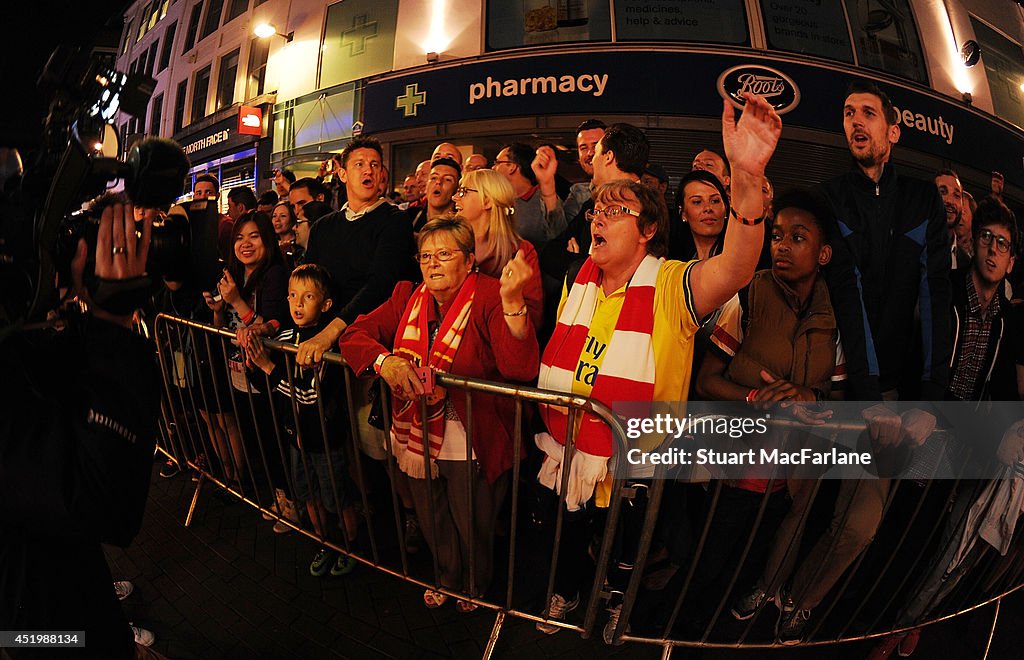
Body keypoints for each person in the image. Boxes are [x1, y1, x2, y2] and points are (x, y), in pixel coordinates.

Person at [532, 93, 780, 637]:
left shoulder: (670, 283)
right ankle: (566, 592)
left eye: (616, 210)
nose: (599, 217)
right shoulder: (579, 281)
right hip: (571, 449)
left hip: (635, 463)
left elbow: (737, 266)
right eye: (598, 209)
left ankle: (617, 599)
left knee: (625, 544)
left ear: (648, 231)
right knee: (569, 531)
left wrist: (745, 178)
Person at [775, 80, 952, 645]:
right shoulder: (831, 196)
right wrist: (869, 397)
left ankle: (798, 603)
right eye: (848, 112)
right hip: (836, 388)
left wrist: (926, 400)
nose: (856, 121)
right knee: (794, 506)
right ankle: (766, 596)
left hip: (896, 397)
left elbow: (937, 300)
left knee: (861, 526)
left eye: (869, 113)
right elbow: (847, 297)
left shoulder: (925, 201)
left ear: (893, 131)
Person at [339, 217, 540, 611]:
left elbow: (519, 368)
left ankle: (475, 583)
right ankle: (447, 576)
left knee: (473, 522)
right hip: (415, 436)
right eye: (426, 256)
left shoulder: (489, 296)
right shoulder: (406, 296)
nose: (433, 264)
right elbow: (354, 335)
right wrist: (385, 363)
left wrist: (514, 303)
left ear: (469, 261)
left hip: (473, 434)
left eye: (445, 255)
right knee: (431, 516)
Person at [0, 200, 163, 659]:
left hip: (51, 564)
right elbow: (100, 499)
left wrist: (81, 313)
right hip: (33, 624)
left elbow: (50, 397)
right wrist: (112, 326)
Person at [706, 190, 846, 628]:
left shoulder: (837, 316)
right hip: (739, 469)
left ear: (823, 254)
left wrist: (810, 397)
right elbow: (706, 380)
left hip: (792, 473)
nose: (782, 245)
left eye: (798, 237)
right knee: (713, 563)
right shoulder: (747, 295)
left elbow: (840, 397)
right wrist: (753, 399)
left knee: (763, 552)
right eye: (778, 235)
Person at [245, 264, 359, 577]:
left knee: (337, 497)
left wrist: (267, 367)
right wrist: (254, 362)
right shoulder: (284, 335)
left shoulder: (327, 343)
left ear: (325, 305)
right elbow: (269, 385)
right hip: (295, 437)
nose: (297, 303)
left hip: (324, 438)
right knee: (308, 495)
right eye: (293, 295)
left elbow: (309, 396)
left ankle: (351, 547)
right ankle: (325, 542)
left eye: (307, 296)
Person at [202, 211, 289, 496]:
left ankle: (288, 501)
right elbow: (226, 328)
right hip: (239, 373)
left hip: (266, 375)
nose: (245, 243)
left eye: (254, 236)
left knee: (275, 441)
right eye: (239, 238)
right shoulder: (235, 275)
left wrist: (237, 301)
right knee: (256, 439)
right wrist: (218, 312)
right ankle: (275, 496)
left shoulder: (275, 274)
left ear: (268, 240)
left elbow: (273, 326)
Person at [452, 168, 543, 326]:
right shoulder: (449, 243)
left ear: (487, 201)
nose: (454, 197)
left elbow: (533, 320)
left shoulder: (522, 252)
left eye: (463, 191)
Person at [493, 142, 566, 250]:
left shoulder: (545, 199)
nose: (493, 167)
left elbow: (559, 234)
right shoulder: (498, 201)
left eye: (497, 162)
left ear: (512, 167)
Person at [409, 157, 460, 233]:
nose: (438, 182)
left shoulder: (462, 227)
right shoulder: (408, 218)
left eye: (448, 179)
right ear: (426, 186)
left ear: (457, 189)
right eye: (434, 178)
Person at [936, 169, 964, 269]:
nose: (950, 201)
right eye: (943, 192)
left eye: (956, 195)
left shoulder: (967, 263)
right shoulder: (909, 246)